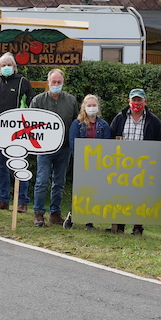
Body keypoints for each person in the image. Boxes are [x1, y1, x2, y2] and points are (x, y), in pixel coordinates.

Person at [0, 52, 34, 212]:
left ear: (14, 67)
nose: (6, 68)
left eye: (9, 65)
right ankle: (3, 200)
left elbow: (31, 105)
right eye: (3, 65)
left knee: (20, 167)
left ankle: (22, 202)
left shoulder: (23, 82)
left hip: (18, 133)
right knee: (1, 167)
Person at [109, 88, 161, 235]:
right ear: (129, 101)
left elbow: (160, 142)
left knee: (140, 196)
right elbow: (110, 139)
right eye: (134, 100)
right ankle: (119, 225)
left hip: (143, 166)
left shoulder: (153, 121)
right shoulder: (119, 118)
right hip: (122, 164)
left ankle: (138, 227)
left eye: (139, 100)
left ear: (145, 102)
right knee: (120, 195)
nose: (136, 103)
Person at [30, 69, 78, 227]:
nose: (56, 85)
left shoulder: (71, 101)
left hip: (64, 149)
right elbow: (30, 124)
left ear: (62, 83)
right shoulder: (38, 101)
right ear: (48, 83)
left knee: (59, 182)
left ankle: (55, 214)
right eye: (53, 82)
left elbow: (76, 123)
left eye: (59, 82)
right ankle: (38, 213)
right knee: (42, 181)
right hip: (44, 149)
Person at [68, 94, 111, 230]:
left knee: (94, 192)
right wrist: (80, 160)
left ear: (97, 107)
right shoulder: (77, 124)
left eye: (94, 105)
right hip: (82, 163)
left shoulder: (103, 125)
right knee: (80, 191)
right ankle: (72, 216)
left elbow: (106, 145)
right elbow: (73, 143)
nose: (91, 108)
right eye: (89, 105)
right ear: (84, 107)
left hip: (97, 164)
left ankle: (89, 222)